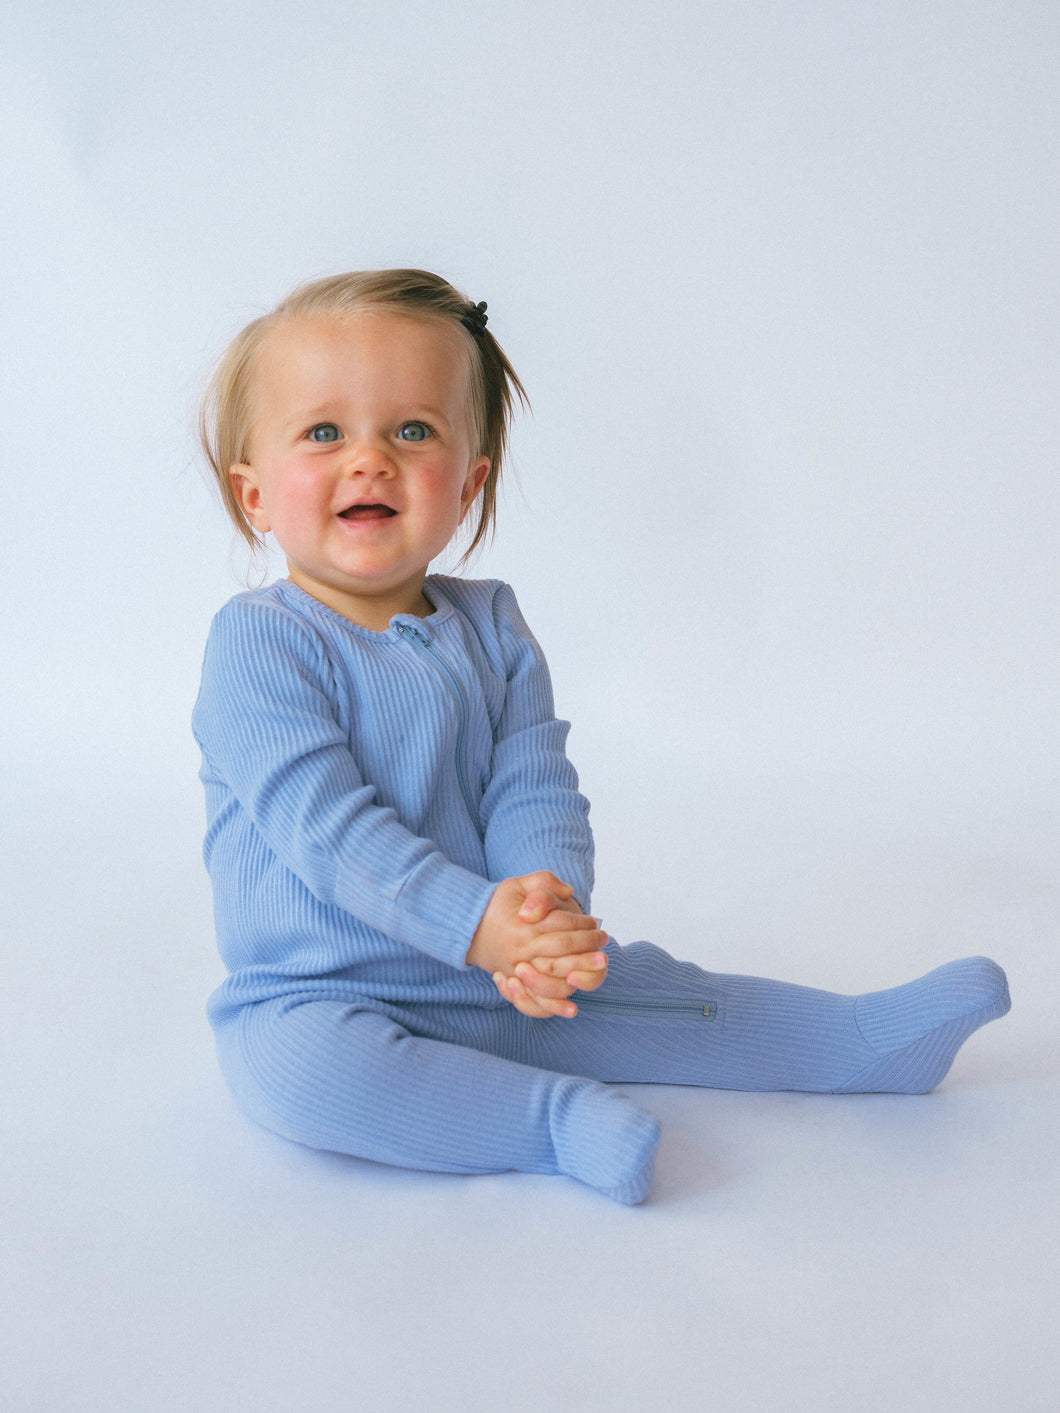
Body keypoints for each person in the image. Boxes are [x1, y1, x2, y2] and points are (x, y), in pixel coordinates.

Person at [192, 269, 1010, 1204]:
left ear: (469, 481)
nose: (371, 458)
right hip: (323, 987)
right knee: (303, 1078)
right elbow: (325, 829)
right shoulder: (260, 643)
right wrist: (477, 926)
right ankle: (550, 1122)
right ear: (253, 494)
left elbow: (532, 782)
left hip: (504, 969)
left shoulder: (491, 624)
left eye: (413, 429)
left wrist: (545, 918)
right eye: (324, 432)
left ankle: (858, 1040)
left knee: (662, 995)